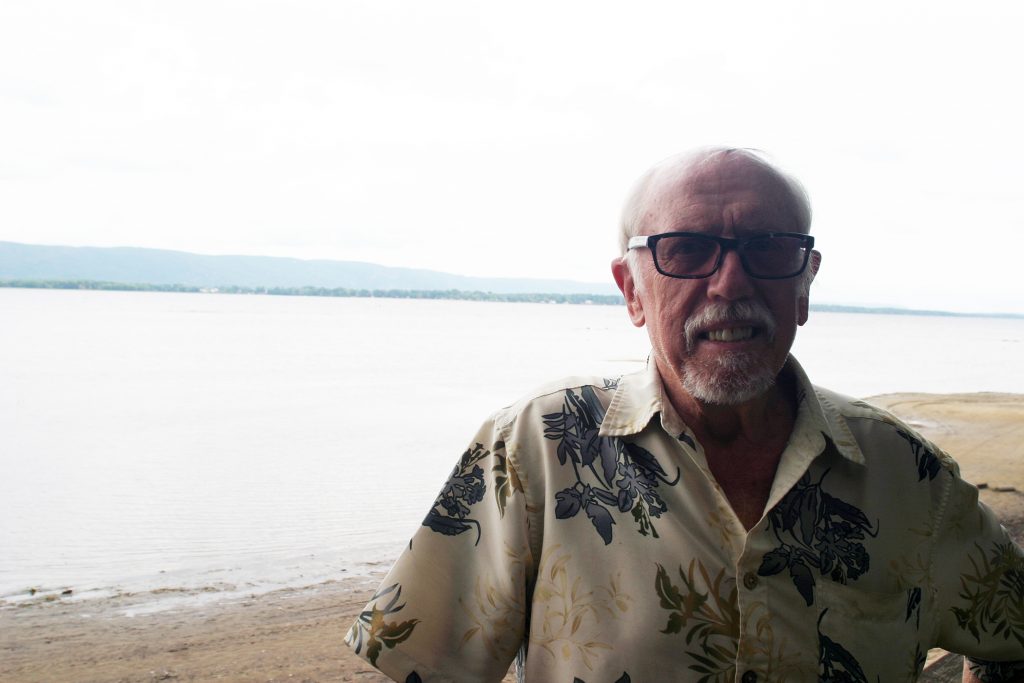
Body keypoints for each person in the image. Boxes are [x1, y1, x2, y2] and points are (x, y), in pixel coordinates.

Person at [344, 148, 1024, 682]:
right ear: (631, 288)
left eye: (767, 248)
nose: (730, 283)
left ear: (804, 282)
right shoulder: (535, 449)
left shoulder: (905, 473)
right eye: (688, 249)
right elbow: (426, 664)